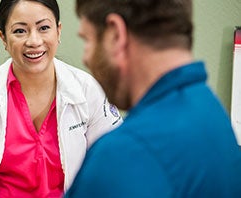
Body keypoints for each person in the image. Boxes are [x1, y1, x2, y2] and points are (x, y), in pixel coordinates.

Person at [0, 0, 122, 197]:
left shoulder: (88, 90)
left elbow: (113, 165)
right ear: (3, 38)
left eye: (44, 28)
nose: (34, 41)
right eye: (20, 31)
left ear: (58, 31)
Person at [65, 0, 241, 197]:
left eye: (87, 40)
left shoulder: (124, 155)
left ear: (116, 35)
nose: (85, 58)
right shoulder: (212, 113)